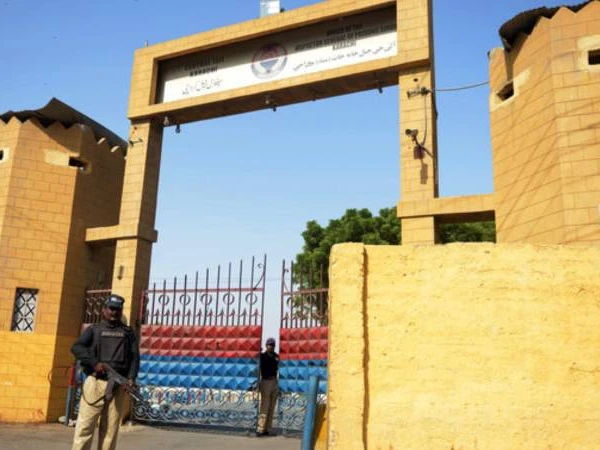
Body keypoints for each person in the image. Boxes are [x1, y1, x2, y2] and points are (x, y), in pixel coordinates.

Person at [71, 294, 140, 450]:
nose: (114, 312)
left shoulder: (128, 333)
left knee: (110, 430)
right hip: (95, 383)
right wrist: (95, 363)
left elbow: (134, 357)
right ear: (104, 310)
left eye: (118, 310)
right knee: (85, 427)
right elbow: (76, 347)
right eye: (111, 309)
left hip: (117, 386)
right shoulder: (93, 330)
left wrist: (131, 377)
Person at [256, 336, 279, 437]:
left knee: (272, 407)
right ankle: (261, 428)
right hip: (265, 381)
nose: (271, 346)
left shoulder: (277, 357)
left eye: (272, 345)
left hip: (274, 381)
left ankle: (268, 429)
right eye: (269, 345)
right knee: (265, 406)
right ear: (266, 345)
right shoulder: (262, 356)